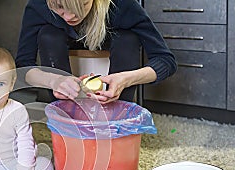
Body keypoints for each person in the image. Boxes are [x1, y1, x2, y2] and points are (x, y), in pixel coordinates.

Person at [15, 0, 177, 104]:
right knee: (48, 35)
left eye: (82, 5)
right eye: (60, 7)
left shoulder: (122, 5)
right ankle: (65, 117)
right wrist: (54, 81)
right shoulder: (38, 6)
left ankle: (116, 118)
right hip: (60, 45)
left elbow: (166, 61)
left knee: (128, 38)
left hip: (111, 43)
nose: (70, 16)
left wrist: (125, 79)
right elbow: (23, 66)